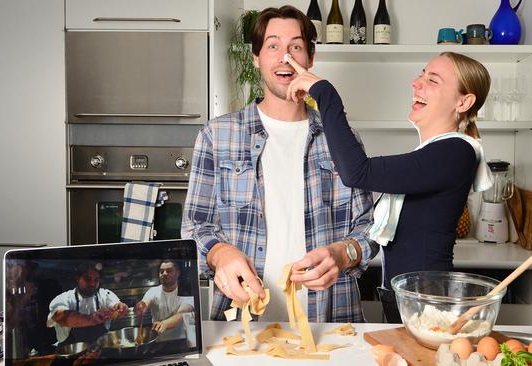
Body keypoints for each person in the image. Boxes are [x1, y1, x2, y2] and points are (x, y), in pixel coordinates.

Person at [181, 5, 376, 323]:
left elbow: (370, 228)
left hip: (331, 323)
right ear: (256, 58)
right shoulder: (217, 135)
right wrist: (221, 253)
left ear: (310, 60)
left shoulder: (341, 137)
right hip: (241, 327)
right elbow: (194, 228)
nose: (285, 57)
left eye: (295, 47)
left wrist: (344, 253)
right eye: (272, 45)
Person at [285, 51, 494, 322]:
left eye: (432, 80)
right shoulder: (435, 152)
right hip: (408, 298)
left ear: (464, 101)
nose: (416, 83)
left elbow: (357, 172)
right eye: (421, 74)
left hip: (427, 305)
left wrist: (325, 93)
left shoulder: (455, 152)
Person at [47, 262, 128, 344]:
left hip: (99, 349)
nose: (92, 283)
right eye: (87, 279)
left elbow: (116, 304)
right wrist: (91, 319)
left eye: (96, 280)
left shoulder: (105, 295)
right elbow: (60, 316)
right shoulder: (64, 298)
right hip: (71, 352)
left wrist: (120, 308)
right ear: (77, 278)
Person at [134, 260, 194, 340]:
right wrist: (140, 307)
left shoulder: (185, 291)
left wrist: (164, 323)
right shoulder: (153, 291)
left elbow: (182, 313)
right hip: (157, 339)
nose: (164, 274)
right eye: (161, 272)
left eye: (169, 271)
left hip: (180, 340)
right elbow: (145, 303)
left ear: (178, 273)